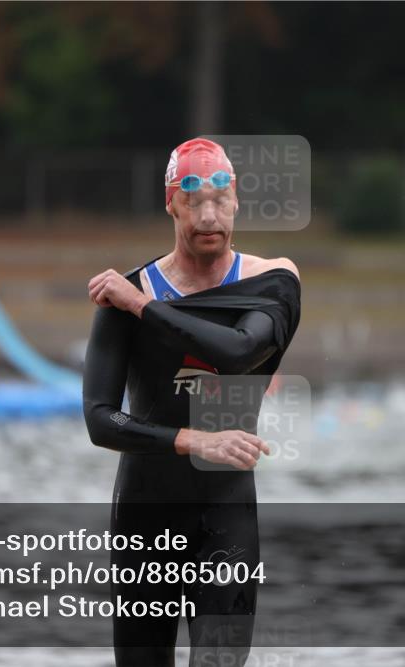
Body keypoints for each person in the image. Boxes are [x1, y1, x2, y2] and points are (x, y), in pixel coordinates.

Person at [83, 137, 301, 667]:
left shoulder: (271, 281)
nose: (209, 217)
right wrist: (192, 441)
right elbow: (100, 421)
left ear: (236, 201)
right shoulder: (124, 298)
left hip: (226, 511)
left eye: (220, 201)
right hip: (143, 517)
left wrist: (143, 306)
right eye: (193, 201)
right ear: (171, 204)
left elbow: (239, 351)